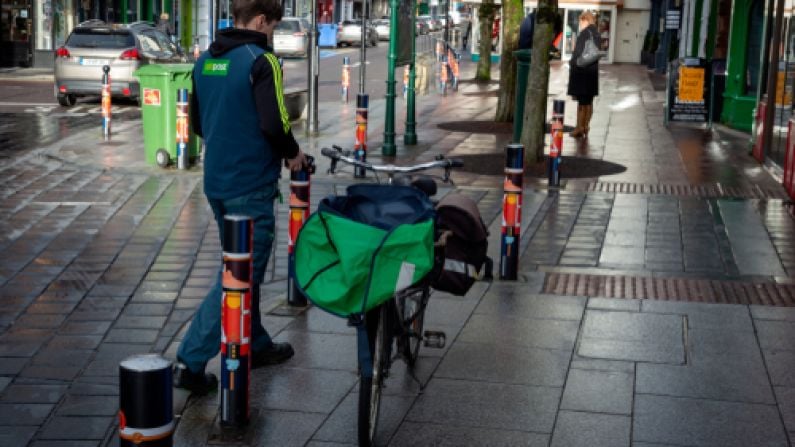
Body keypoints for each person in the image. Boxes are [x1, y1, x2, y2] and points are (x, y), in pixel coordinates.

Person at [173, 0, 306, 395]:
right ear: (262, 20)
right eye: (275, 26)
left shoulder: (205, 61)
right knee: (239, 277)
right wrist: (294, 154)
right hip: (251, 185)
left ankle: (258, 342)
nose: (274, 33)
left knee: (242, 265)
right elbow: (275, 123)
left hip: (217, 183)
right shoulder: (261, 61)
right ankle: (190, 360)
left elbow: (198, 123)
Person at [567, 11, 600, 138]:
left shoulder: (584, 34)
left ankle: (579, 128)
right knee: (589, 101)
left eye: (581, 21)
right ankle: (586, 126)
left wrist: (572, 63)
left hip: (582, 73)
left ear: (586, 20)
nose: (580, 24)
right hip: (592, 73)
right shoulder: (596, 34)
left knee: (582, 102)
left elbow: (578, 54)